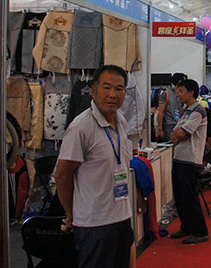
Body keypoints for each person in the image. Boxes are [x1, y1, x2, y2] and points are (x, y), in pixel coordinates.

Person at [56, 65, 134, 268]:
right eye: (107, 87)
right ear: (94, 90)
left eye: (119, 89)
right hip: (94, 224)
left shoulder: (121, 122)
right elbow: (62, 175)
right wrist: (71, 213)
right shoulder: (81, 127)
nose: (113, 94)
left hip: (122, 217)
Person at [169, 79, 209, 244]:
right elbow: (174, 133)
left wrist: (177, 134)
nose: (178, 95)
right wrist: (177, 134)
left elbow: (181, 133)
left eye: (181, 91)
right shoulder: (186, 111)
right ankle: (186, 226)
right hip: (179, 157)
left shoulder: (198, 111)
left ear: (191, 92)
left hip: (190, 159)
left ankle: (200, 232)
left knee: (190, 197)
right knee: (180, 197)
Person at [156, 73, 187, 141]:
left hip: (180, 125)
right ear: (179, 82)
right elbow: (161, 112)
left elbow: (181, 109)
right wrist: (160, 129)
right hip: (169, 125)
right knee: (171, 145)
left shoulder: (182, 95)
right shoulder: (166, 94)